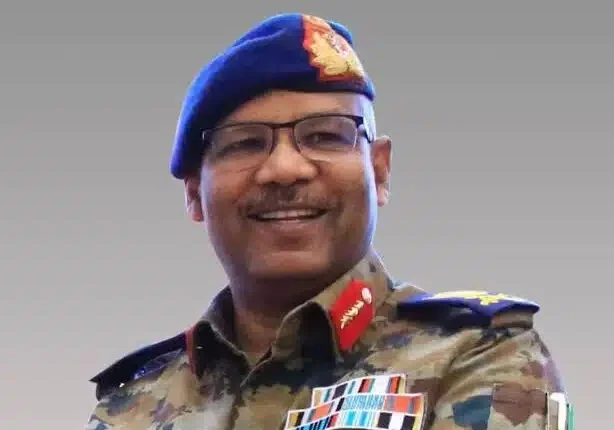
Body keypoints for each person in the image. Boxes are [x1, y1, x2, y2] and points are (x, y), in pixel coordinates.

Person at [84, 13, 574, 430]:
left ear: (379, 172)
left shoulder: (480, 355)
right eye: (245, 144)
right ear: (194, 194)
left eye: (325, 136)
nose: (284, 169)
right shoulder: (131, 407)